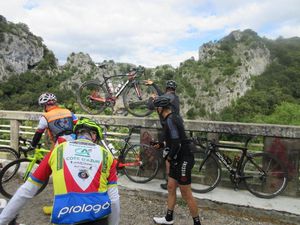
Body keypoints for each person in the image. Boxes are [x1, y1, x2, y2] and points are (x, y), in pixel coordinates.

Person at [0, 117, 120, 225]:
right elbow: (114, 200)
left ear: (76, 134)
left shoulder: (58, 150)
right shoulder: (107, 156)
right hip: (98, 218)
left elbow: (26, 191)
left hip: (65, 217)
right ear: (94, 136)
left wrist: (3, 220)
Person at [152, 96, 201, 225]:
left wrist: (168, 157)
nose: (156, 110)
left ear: (161, 108)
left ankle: (197, 223)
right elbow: (174, 140)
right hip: (177, 157)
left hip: (184, 158)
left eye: (157, 108)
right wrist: (161, 145)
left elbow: (177, 144)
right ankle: (169, 218)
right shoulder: (174, 116)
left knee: (186, 193)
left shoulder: (170, 120)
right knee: (171, 186)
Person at [146, 79, 180, 190]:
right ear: (174, 90)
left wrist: (152, 97)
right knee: (173, 156)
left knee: (168, 157)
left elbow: (150, 106)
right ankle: (176, 179)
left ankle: (169, 182)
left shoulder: (166, 98)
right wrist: (154, 85)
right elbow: (163, 96)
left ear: (167, 89)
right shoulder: (174, 98)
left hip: (170, 131)